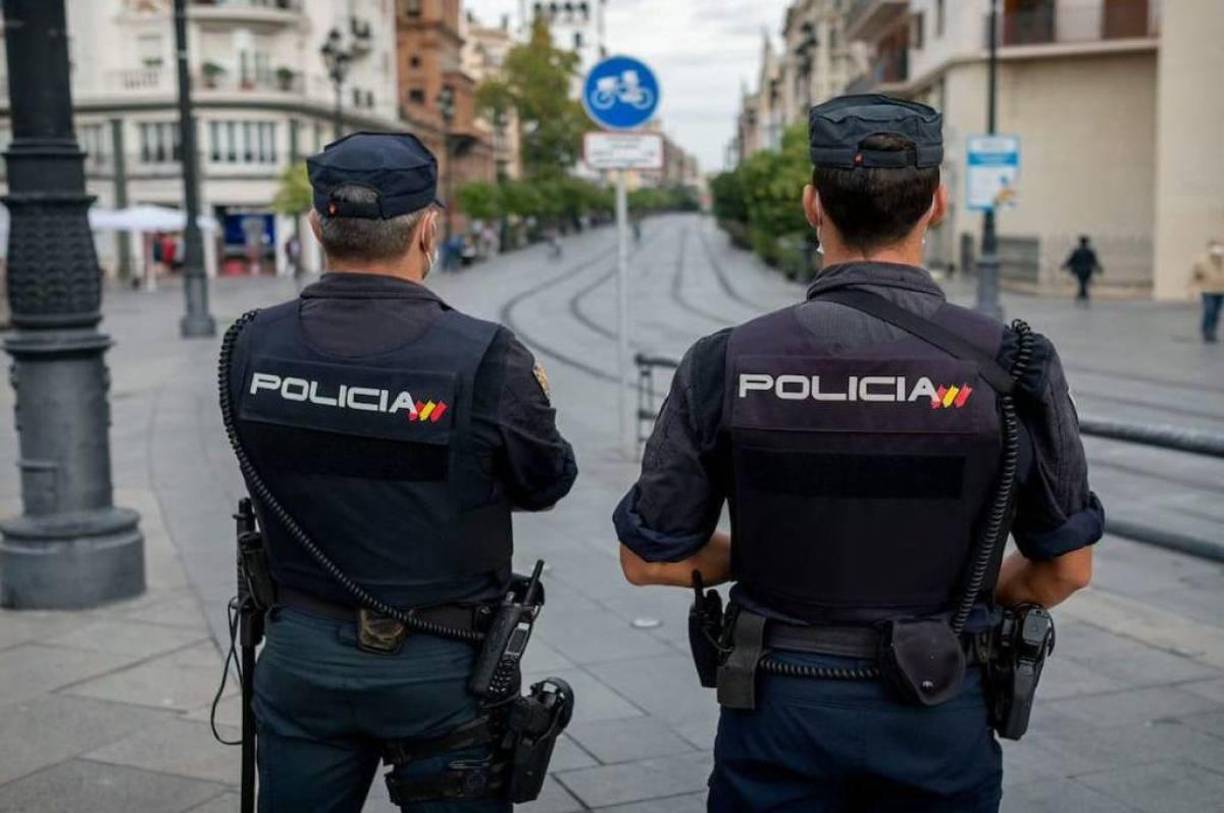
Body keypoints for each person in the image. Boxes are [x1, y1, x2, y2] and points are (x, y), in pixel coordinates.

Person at [613, 95, 1103, 812]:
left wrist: (784, 553)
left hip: (776, 711)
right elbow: (1066, 569)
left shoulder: (726, 360)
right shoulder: (1014, 362)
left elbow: (647, 559)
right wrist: (964, 579)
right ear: (936, 203)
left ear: (814, 204)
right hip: (939, 708)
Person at [220, 132, 578, 812]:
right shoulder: (487, 354)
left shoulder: (249, 341)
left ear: (316, 226)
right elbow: (546, 481)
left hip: (299, 652)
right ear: (428, 230)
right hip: (444, 665)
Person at [1191, 238, 1224, 343]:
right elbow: (1196, 275)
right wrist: (1192, 288)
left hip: (1221, 290)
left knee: (1216, 312)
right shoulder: (1202, 261)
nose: (1219, 249)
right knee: (1209, 310)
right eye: (1216, 247)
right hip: (1208, 290)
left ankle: (1212, 331)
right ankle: (1206, 331)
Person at [1062, 235, 1102, 305]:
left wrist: (1064, 266)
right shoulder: (1090, 251)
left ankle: (1082, 294)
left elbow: (1071, 260)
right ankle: (1083, 294)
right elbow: (1094, 261)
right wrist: (1098, 268)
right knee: (1084, 282)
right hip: (1087, 269)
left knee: (1082, 282)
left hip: (1079, 270)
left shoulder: (1077, 251)